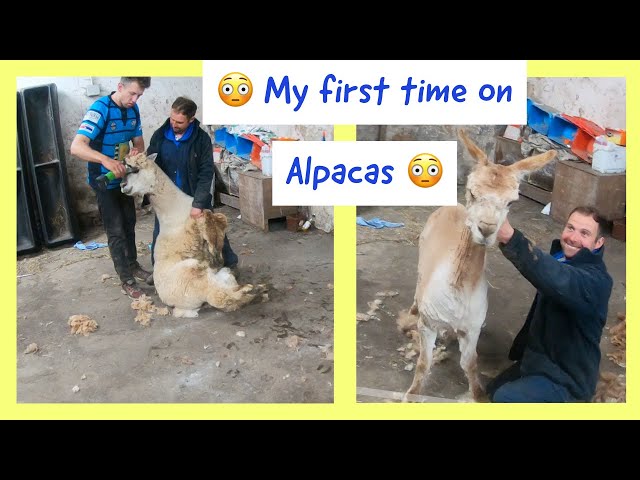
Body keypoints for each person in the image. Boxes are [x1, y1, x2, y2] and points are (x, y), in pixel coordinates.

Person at [485, 206, 613, 403]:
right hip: (542, 359)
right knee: (492, 390)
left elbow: (558, 278)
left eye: (584, 233)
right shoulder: (561, 258)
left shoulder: (596, 282)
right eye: (570, 228)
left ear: (599, 243)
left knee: (504, 398)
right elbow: (547, 272)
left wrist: (510, 237)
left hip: (567, 377)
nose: (573, 237)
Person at [70, 77, 153, 299]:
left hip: (125, 181)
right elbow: (76, 147)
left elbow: (139, 142)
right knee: (115, 230)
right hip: (104, 181)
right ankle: (126, 279)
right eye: (132, 94)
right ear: (120, 87)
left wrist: (137, 150)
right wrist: (105, 161)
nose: (134, 100)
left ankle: (133, 265)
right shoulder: (100, 109)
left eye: (139, 96)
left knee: (129, 224)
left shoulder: (133, 110)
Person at [147, 96, 238, 280]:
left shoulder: (201, 139)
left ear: (191, 119)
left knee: (211, 230)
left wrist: (199, 203)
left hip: (193, 194)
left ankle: (229, 262)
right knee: (161, 234)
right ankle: (158, 270)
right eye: (172, 119)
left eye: (179, 122)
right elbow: (152, 162)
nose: (174, 124)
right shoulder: (160, 135)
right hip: (169, 199)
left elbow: (206, 173)